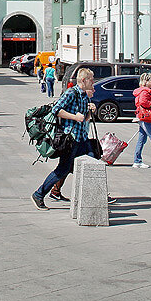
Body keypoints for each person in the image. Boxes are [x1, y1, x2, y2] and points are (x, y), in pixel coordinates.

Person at [32, 67, 99, 209]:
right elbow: (56, 109)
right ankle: (39, 194)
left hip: (81, 139)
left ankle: (95, 196)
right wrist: (75, 116)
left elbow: (84, 118)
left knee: (91, 162)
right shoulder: (71, 93)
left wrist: (89, 112)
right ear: (83, 80)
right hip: (71, 138)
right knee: (63, 169)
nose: (93, 82)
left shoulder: (84, 96)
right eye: (91, 80)